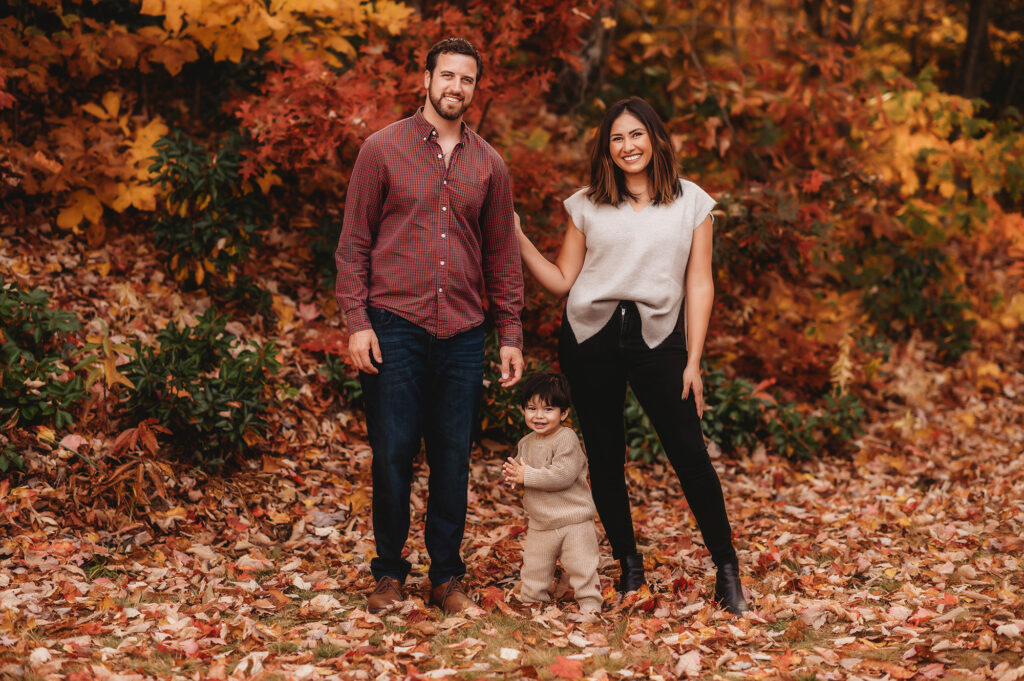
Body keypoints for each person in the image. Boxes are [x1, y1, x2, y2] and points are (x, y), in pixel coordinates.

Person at [514, 97, 749, 614]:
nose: (627, 147)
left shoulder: (692, 203)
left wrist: (692, 361)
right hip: (589, 337)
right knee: (604, 457)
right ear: (607, 149)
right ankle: (629, 566)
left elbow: (700, 282)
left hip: (659, 339)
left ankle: (727, 570)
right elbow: (562, 280)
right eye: (617, 139)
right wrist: (518, 236)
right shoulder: (587, 203)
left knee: (689, 452)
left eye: (636, 135)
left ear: (656, 139)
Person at [335, 37, 525, 615]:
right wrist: (356, 322)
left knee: (452, 459)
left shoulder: (489, 163)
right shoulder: (381, 149)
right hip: (394, 323)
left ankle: (446, 579)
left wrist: (510, 333)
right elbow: (353, 244)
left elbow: (501, 256)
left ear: (474, 87)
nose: (455, 88)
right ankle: (389, 575)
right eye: (447, 76)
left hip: (465, 332)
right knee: (392, 453)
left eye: (466, 80)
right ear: (425, 78)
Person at [501, 373, 602, 614]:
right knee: (535, 567)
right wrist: (514, 476)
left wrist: (527, 476)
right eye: (531, 408)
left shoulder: (566, 439)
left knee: (581, 565)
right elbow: (521, 467)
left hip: (573, 520)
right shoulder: (526, 442)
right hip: (541, 521)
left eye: (548, 409)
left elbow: (562, 475)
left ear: (563, 414)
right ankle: (532, 601)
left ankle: (590, 604)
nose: (538, 416)